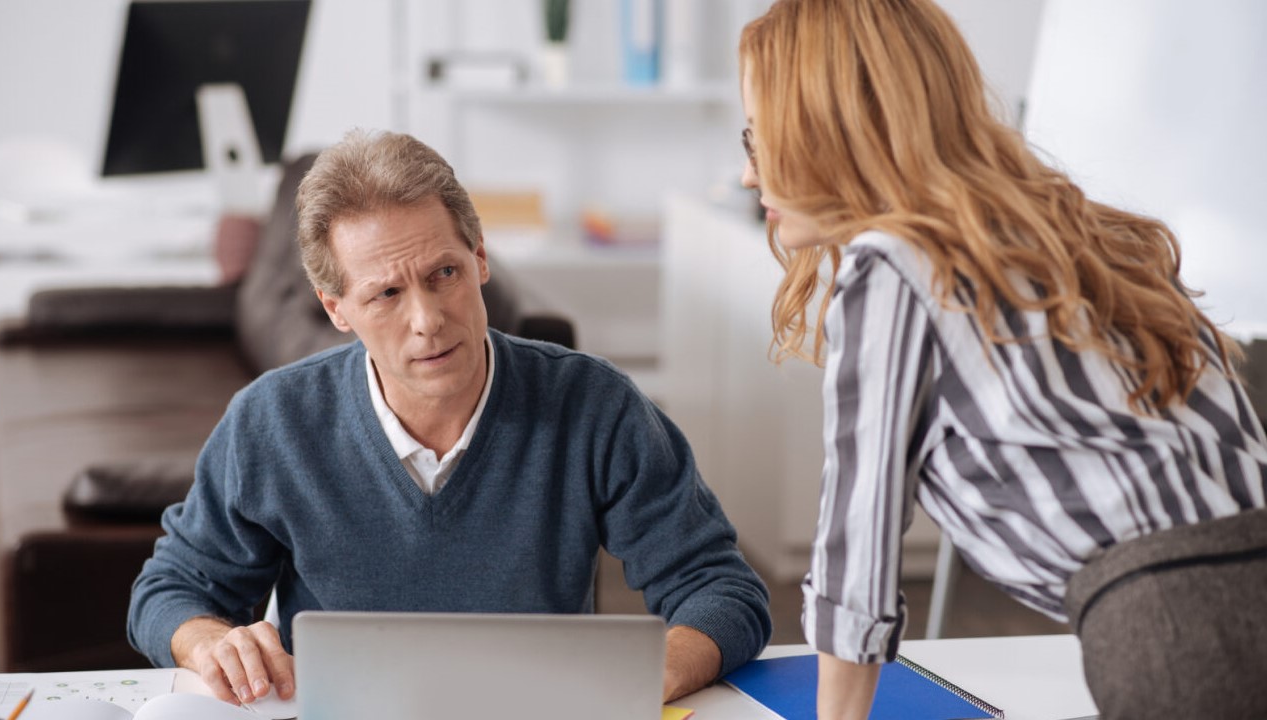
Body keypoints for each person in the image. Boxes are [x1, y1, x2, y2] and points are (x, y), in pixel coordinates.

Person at [736, 1, 1267, 718]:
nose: (747, 174)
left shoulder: (892, 265)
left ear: (826, 125)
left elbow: (855, 555)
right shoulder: (1086, 232)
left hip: (1175, 632)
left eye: (757, 138)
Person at [128, 129, 771, 706]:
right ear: (336, 309)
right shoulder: (272, 422)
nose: (428, 320)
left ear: (481, 259)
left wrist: (646, 677)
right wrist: (208, 639)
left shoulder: (594, 407)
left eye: (444, 273)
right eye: (386, 294)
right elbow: (170, 591)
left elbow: (721, 590)